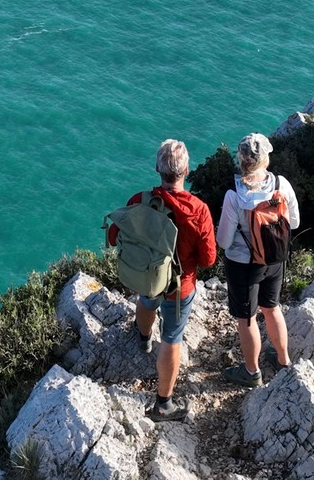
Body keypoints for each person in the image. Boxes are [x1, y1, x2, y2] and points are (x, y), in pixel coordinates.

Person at [106, 138, 216, 421]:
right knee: (171, 338)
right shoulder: (198, 210)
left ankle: (142, 339)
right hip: (180, 287)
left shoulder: (140, 200)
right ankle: (163, 405)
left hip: (146, 276)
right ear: (187, 170)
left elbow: (113, 236)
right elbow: (208, 260)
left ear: (158, 169)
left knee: (146, 299)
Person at [216, 133, 300, 387]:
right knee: (272, 308)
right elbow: (294, 222)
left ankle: (251, 372)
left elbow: (224, 241)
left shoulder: (234, 195)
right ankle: (283, 359)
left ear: (241, 160)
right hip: (275, 259)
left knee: (247, 318)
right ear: (266, 158)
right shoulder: (280, 185)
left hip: (243, 266)